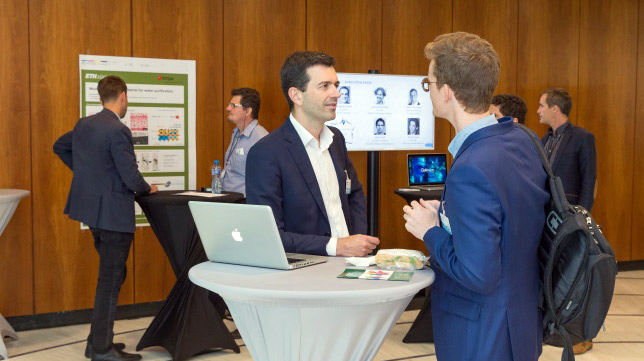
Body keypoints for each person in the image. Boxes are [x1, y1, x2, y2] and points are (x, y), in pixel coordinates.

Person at [403, 32, 549, 361]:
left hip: (481, 337)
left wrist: (429, 229)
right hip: (519, 325)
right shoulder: (521, 139)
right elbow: (507, 220)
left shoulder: (471, 167)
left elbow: (478, 274)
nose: (428, 92)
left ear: (447, 91)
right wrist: (451, 213)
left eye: (428, 84)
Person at [53, 75, 157, 361]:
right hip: (113, 215)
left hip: (93, 215)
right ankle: (101, 350)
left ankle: (97, 341)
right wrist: (149, 188)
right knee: (110, 281)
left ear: (101, 97)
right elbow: (131, 176)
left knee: (111, 277)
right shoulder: (118, 130)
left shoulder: (84, 124)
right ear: (122, 96)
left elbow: (59, 147)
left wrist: (88, 175)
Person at [246, 51, 379, 257]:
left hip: (351, 265)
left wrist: (357, 241)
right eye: (324, 86)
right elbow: (269, 235)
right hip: (306, 273)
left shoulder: (336, 139)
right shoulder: (266, 153)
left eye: (336, 85)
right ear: (296, 95)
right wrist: (336, 246)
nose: (336, 93)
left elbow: (354, 195)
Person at [539, 88, 597, 355]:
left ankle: (578, 334)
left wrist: (582, 218)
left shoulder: (583, 138)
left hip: (572, 219)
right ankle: (553, 326)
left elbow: (589, 180)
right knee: (553, 275)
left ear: (554, 108)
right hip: (548, 219)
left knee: (574, 276)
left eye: (541, 106)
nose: (538, 110)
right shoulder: (544, 139)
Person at [221, 87, 269, 196]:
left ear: (248, 111)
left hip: (244, 204)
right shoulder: (236, 133)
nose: (228, 108)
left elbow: (265, 181)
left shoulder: (261, 139)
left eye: (233, 106)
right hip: (229, 201)